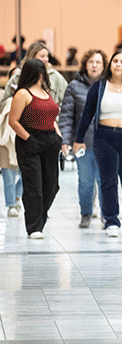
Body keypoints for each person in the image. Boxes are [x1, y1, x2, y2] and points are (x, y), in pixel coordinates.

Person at [73, 49, 122, 238]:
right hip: (104, 137)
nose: (117, 64)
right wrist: (78, 139)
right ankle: (111, 220)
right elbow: (87, 115)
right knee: (107, 180)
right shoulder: (99, 86)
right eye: (115, 61)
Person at [2, 41, 68, 218]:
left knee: (49, 183)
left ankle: (39, 211)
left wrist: (60, 135)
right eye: (42, 56)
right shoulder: (18, 78)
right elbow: (7, 102)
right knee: (16, 171)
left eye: (47, 56)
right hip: (24, 133)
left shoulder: (55, 78)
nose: (46, 60)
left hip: (50, 134)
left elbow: (64, 101)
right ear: (32, 58)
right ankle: (21, 209)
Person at [7, 59, 62, 239]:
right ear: (35, 73)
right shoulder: (23, 93)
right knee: (34, 186)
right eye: (42, 71)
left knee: (52, 185)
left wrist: (58, 136)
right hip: (29, 140)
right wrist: (29, 139)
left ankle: (40, 218)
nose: (44, 74)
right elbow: (13, 121)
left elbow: (52, 117)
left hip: (50, 140)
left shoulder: (46, 92)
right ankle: (34, 227)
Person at [58, 49, 108, 228]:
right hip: (83, 144)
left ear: (104, 66)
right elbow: (66, 116)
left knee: (105, 182)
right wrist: (65, 140)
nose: (94, 65)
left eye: (98, 62)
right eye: (91, 62)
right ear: (85, 65)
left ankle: (107, 215)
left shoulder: (110, 85)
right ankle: (86, 213)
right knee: (85, 182)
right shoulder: (74, 86)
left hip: (107, 143)